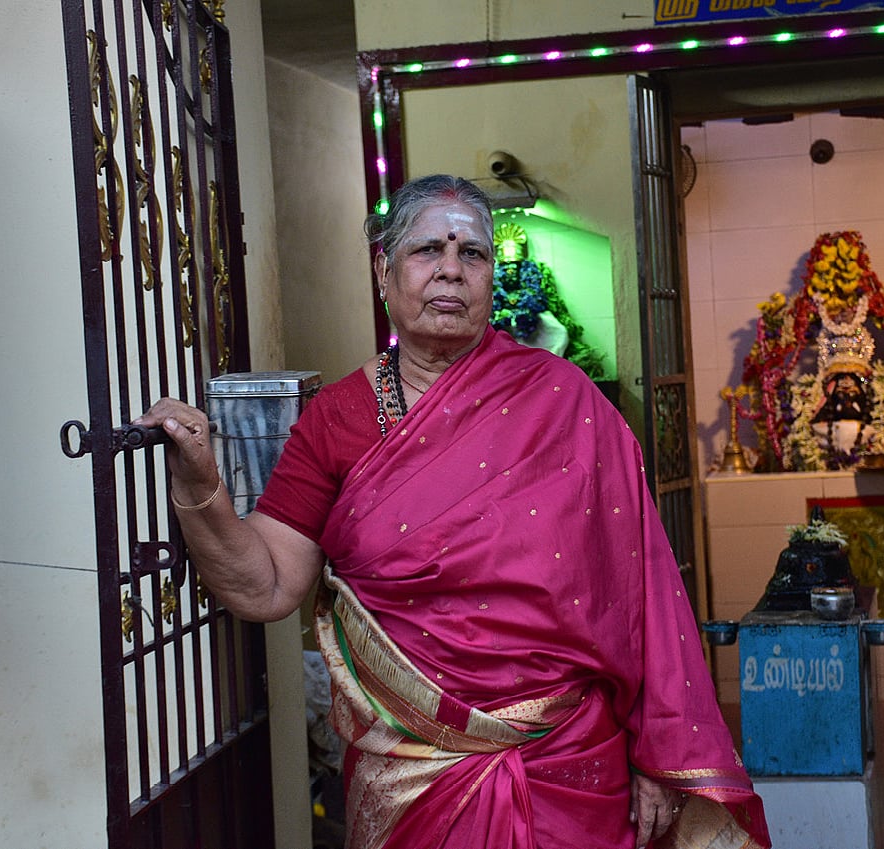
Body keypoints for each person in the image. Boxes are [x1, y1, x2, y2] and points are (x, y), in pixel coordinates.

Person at [135, 175, 770, 849]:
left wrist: (656, 755)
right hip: (411, 778)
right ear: (383, 270)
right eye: (427, 250)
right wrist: (200, 486)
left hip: (572, 767)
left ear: (491, 276)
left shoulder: (565, 400)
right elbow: (265, 586)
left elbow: (641, 598)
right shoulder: (336, 420)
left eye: (472, 253)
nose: (450, 270)